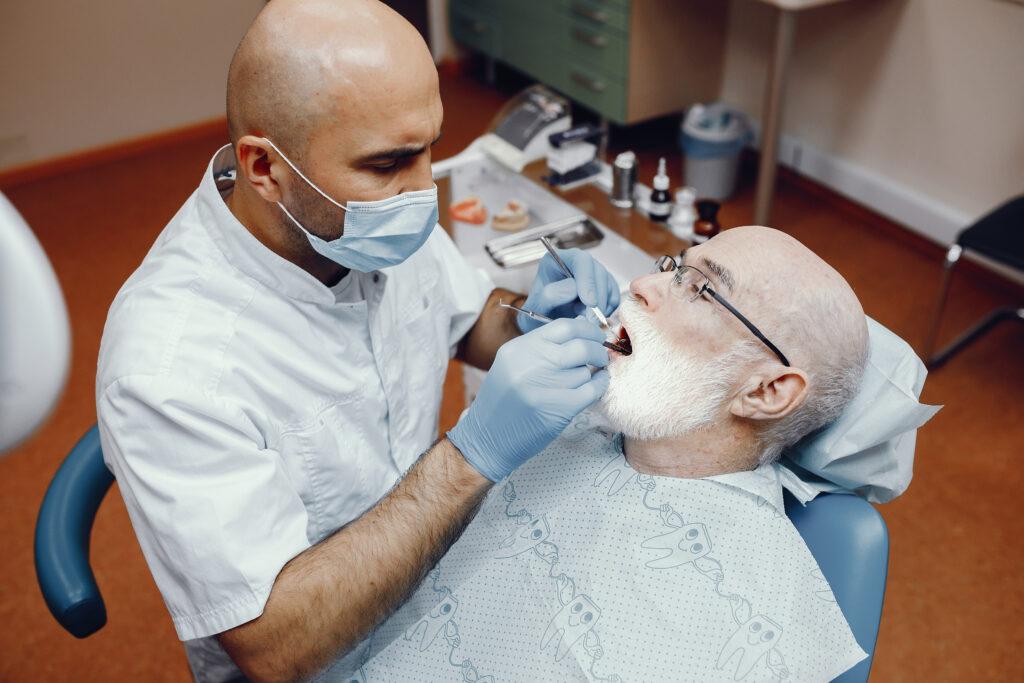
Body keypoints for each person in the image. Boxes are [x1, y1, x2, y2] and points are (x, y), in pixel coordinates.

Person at [95, 1, 618, 681]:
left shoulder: (362, 215)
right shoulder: (172, 363)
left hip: (436, 572)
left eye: (429, 146)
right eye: (390, 163)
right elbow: (275, 645)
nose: (422, 189)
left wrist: (528, 317)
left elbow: (465, 321)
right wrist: (471, 457)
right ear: (264, 168)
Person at [352, 226, 872, 682]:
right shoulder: (571, 421)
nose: (641, 286)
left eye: (699, 289)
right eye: (672, 268)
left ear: (767, 391)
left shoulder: (750, 618)